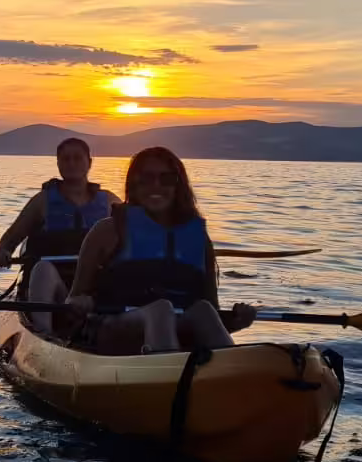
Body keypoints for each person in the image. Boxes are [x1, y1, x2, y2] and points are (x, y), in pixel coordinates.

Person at [65, 146, 256, 354]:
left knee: (204, 311)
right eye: (146, 179)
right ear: (134, 185)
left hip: (177, 329)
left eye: (166, 179)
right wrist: (78, 303)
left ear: (178, 186)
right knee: (160, 310)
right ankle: (167, 371)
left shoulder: (199, 239)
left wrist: (238, 321)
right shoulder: (105, 232)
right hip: (112, 329)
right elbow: (72, 301)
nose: (155, 186)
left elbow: (214, 312)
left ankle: (229, 369)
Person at [0, 137, 120, 333]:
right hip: (55, 293)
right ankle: (44, 334)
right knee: (42, 268)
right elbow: (10, 239)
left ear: (90, 163)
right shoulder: (42, 201)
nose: (72, 163)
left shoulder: (110, 201)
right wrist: (3, 252)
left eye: (77, 158)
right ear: (58, 164)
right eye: (66, 159)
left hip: (94, 294)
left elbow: (135, 239)